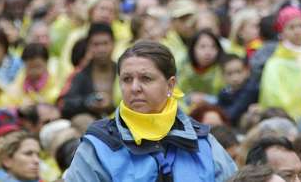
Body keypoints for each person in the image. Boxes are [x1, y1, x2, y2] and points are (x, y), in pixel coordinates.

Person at [64, 40, 236, 181]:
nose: (134, 87)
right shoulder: (98, 146)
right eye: (127, 79)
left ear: (170, 85)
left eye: (146, 78)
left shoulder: (203, 143)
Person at [260, 6, 301, 120]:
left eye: (300, 26)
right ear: (282, 32)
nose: (297, 31)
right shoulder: (276, 62)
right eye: (291, 27)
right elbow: (272, 94)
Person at [58, 23, 120, 119]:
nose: (101, 49)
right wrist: (88, 102)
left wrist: (111, 104)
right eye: (96, 44)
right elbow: (65, 104)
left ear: (113, 44)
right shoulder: (80, 75)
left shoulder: (123, 72)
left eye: (105, 43)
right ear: (89, 46)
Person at [0, 44, 60, 108]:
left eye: (37, 66)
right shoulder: (19, 80)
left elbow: (56, 99)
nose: (34, 71)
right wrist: (20, 106)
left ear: (46, 63)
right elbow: (3, 101)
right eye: (30, 67)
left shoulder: (54, 83)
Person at [177, 29, 225, 98]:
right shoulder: (183, 69)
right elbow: (178, 95)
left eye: (213, 46)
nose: (208, 52)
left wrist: (206, 98)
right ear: (193, 49)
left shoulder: (223, 70)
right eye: (202, 47)